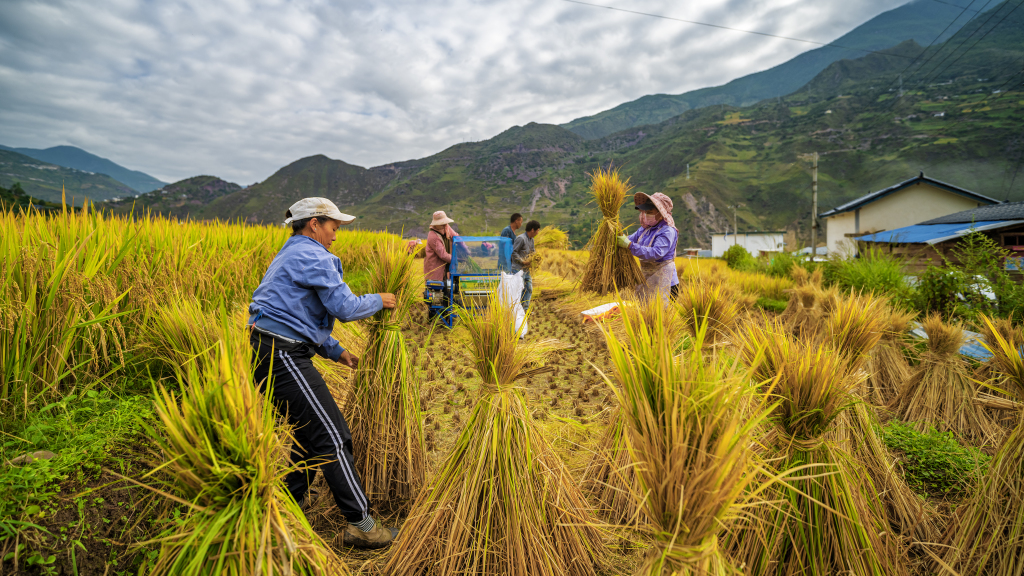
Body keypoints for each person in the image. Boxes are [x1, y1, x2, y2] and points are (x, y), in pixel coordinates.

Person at [248, 197, 400, 549]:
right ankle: (361, 524)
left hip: (270, 349)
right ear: (314, 223)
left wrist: (335, 351)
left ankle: (287, 507)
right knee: (332, 436)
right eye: (333, 226)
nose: (336, 234)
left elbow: (295, 313)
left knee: (307, 436)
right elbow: (345, 307)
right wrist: (380, 299)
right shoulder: (312, 255)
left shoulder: (292, 251)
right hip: (281, 354)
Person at [617, 192, 679, 305]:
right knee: (644, 313)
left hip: (666, 283)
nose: (646, 215)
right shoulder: (645, 229)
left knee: (660, 317)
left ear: (661, 213)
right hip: (648, 279)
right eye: (645, 212)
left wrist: (629, 245)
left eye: (649, 212)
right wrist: (618, 239)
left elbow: (656, 253)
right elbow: (630, 239)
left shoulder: (667, 231)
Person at [512, 220, 540, 312]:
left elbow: (533, 252)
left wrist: (536, 258)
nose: (538, 232)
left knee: (529, 288)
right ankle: (516, 310)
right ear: (532, 230)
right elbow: (514, 252)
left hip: (526, 270)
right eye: (537, 230)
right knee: (519, 290)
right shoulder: (521, 238)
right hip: (518, 269)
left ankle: (524, 309)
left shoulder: (531, 240)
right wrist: (522, 261)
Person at [424, 210, 459, 282]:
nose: (444, 224)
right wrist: (456, 259)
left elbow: (456, 237)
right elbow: (443, 255)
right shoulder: (433, 236)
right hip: (436, 266)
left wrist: (466, 251)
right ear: (435, 224)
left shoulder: (446, 226)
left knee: (449, 286)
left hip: (447, 264)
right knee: (436, 286)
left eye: (445, 223)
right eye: (441, 223)